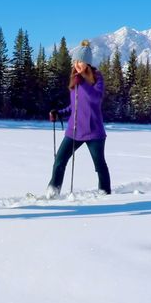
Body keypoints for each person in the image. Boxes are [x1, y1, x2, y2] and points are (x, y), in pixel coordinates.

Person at [46, 40, 111, 197]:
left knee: (99, 165)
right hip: (74, 131)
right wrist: (60, 113)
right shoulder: (76, 80)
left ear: (87, 63)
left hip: (94, 132)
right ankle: (52, 192)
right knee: (59, 161)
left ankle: (105, 193)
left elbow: (95, 98)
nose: (76, 64)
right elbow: (74, 107)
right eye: (75, 61)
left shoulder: (97, 78)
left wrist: (83, 82)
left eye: (80, 61)